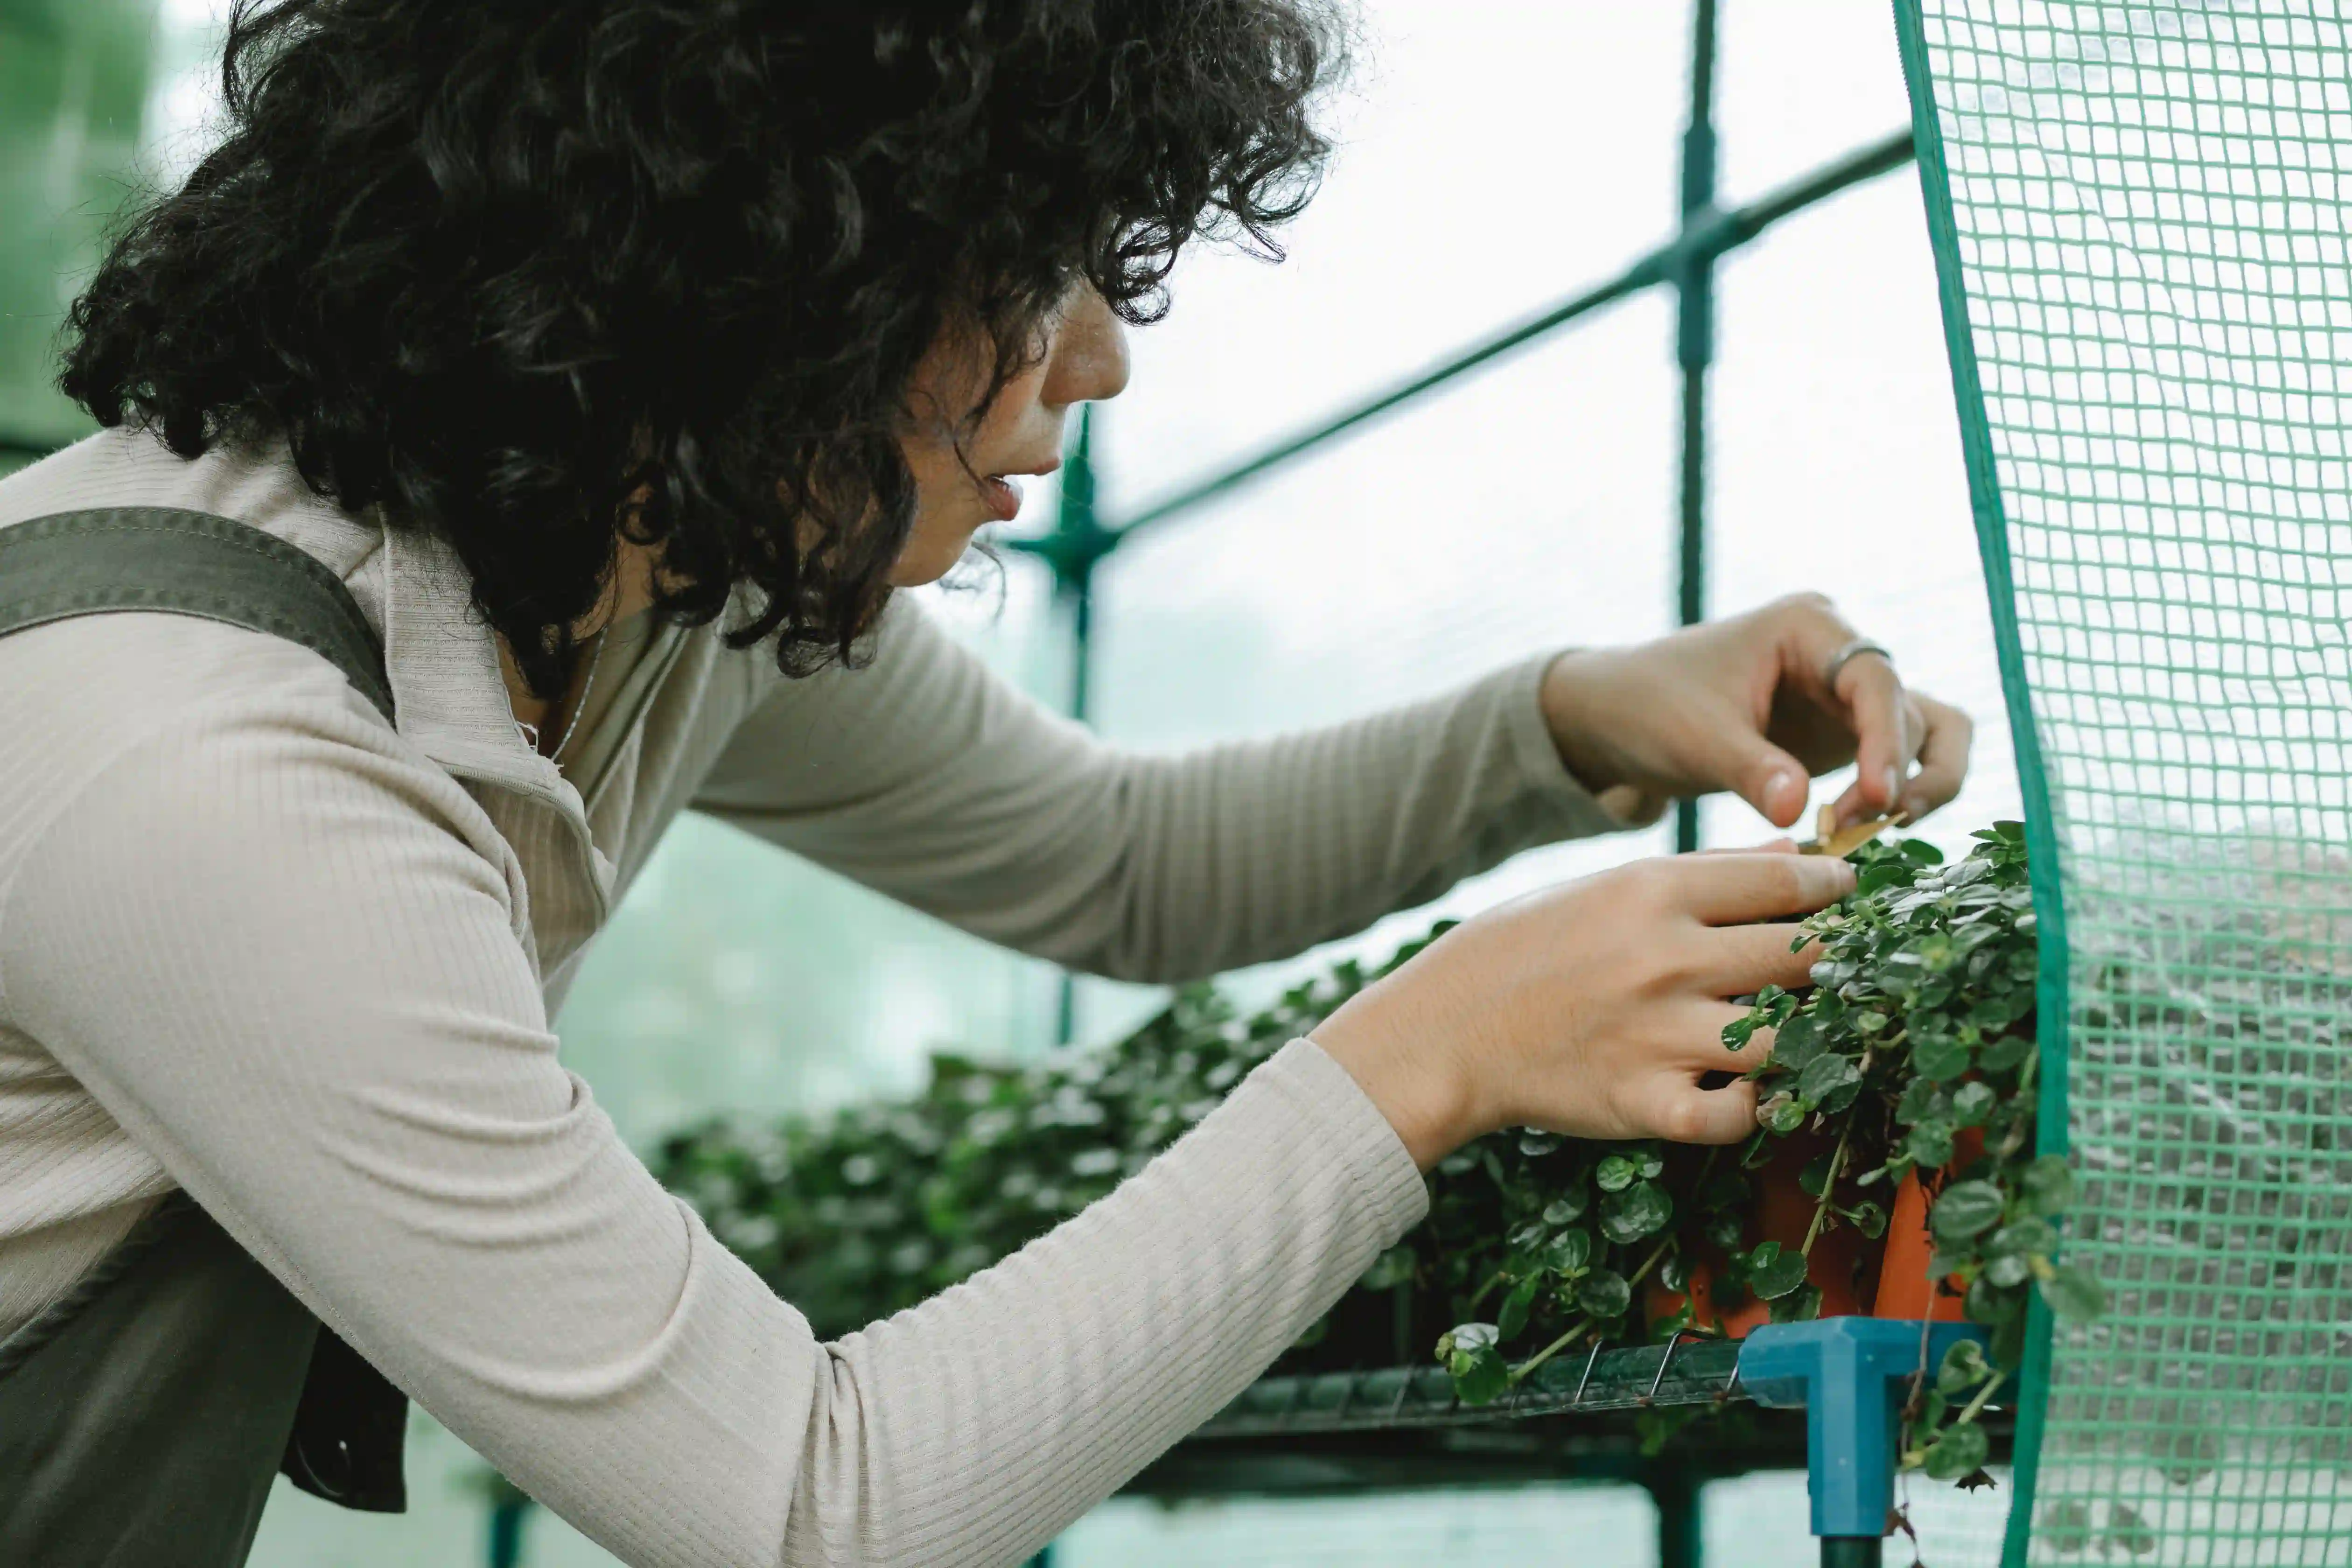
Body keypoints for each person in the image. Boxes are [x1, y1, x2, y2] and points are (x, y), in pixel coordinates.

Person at [0, 2, 1972, 1564]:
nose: (1100, 363)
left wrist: (1574, 719)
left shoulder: (620, 567)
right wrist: (1432, 1057)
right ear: (743, 253)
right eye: (1030, 269)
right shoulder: (206, 762)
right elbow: (802, 1510)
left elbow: (1115, 861)